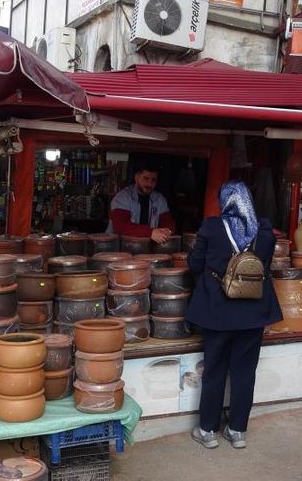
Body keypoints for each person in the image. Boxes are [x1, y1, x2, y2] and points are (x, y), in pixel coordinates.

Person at [186, 181, 281, 450]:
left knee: (214, 370)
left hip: (218, 311)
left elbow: (195, 265)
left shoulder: (212, 227)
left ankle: (207, 430)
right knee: (244, 372)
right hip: (254, 312)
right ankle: (237, 430)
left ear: (225, 201)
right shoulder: (264, 230)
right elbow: (265, 267)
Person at [107, 164, 176, 243]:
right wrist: (150, 232)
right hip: (118, 249)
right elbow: (121, 226)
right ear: (136, 178)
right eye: (146, 178)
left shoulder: (159, 199)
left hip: (145, 249)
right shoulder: (122, 197)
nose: (150, 184)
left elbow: (168, 222)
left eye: (153, 180)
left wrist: (168, 231)